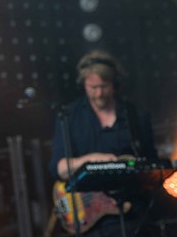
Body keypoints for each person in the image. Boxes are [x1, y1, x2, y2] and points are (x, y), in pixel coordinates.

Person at [48, 50, 158, 237]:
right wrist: (91, 160)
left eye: (104, 86)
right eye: (93, 87)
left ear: (115, 84)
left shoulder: (136, 116)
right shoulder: (69, 117)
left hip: (134, 217)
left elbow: (152, 165)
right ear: (83, 84)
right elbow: (58, 168)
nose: (99, 93)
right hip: (92, 222)